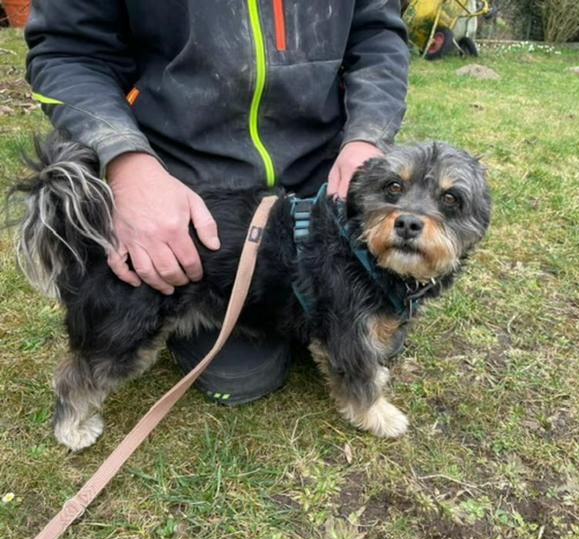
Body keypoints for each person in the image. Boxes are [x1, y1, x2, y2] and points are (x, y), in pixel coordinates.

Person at [25, 1, 410, 405]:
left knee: (364, 333)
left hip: (320, 186)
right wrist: (125, 161)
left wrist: (367, 135)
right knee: (245, 375)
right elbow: (68, 52)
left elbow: (377, 34)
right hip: (191, 203)